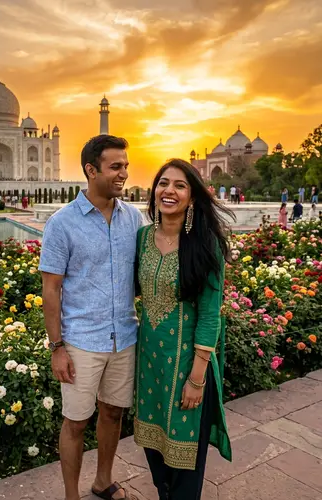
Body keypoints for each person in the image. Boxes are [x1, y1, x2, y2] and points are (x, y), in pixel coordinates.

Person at [39, 135, 143, 500]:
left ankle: (102, 481)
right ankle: (71, 495)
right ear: (90, 169)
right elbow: (51, 290)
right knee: (76, 421)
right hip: (82, 339)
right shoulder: (62, 223)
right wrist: (57, 348)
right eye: (116, 167)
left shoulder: (134, 218)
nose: (124, 174)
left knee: (113, 413)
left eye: (126, 166)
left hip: (124, 336)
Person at [134, 158, 233, 500]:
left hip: (187, 368)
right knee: (156, 455)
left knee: (185, 468)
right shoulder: (143, 237)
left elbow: (209, 316)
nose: (169, 191)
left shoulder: (205, 247)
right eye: (163, 183)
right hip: (150, 366)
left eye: (179, 185)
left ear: (191, 198)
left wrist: (197, 379)